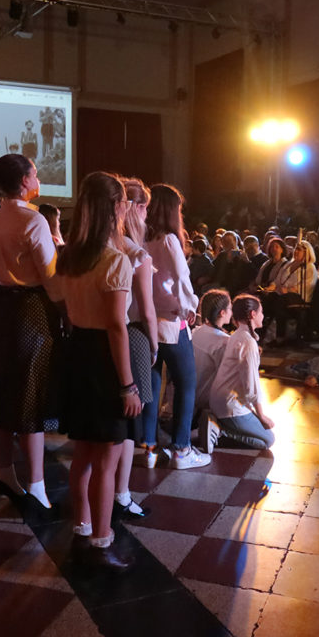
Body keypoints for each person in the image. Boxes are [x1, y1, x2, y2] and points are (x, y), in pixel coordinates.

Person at [60, 172, 140, 570]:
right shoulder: (114, 261)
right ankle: (101, 542)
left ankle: (82, 529)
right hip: (103, 358)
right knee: (107, 459)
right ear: (117, 207)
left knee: (83, 454)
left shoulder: (70, 257)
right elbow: (116, 327)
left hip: (78, 353)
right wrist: (127, 385)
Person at [0, 154, 62, 510]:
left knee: (4, 388)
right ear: (25, 181)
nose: (39, 178)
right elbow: (52, 280)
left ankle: (4, 473)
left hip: (2, 305)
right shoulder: (33, 220)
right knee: (32, 394)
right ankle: (37, 486)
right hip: (31, 309)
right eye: (36, 173)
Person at [142, 184, 208, 469]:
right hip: (170, 320)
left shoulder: (141, 237)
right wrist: (191, 307)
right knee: (186, 382)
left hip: (146, 320)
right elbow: (182, 278)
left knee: (152, 384)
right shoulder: (169, 240)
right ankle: (181, 448)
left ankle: (148, 448)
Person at [113, 178, 157, 515]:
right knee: (129, 421)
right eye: (145, 208)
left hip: (97, 336)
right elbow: (147, 307)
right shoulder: (135, 252)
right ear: (136, 208)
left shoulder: (101, 243)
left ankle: (101, 497)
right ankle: (122, 493)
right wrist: (154, 344)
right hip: (132, 333)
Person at [208, 294, 275, 450]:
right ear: (253, 314)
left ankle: (219, 426)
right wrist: (261, 415)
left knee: (261, 434)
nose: (263, 316)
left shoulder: (237, 335)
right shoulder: (247, 342)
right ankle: (219, 432)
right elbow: (251, 386)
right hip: (230, 405)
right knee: (268, 440)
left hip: (219, 400)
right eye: (261, 312)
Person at [191, 289, 232, 451]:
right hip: (208, 398)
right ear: (222, 313)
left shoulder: (196, 331)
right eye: (230, 308)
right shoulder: (223, 341)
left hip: (192, 393)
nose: (231, 313)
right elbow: (227, 378)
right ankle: (217, 429)